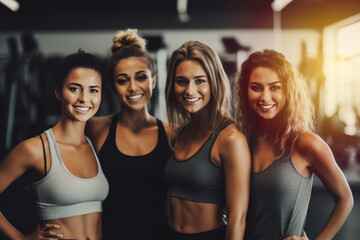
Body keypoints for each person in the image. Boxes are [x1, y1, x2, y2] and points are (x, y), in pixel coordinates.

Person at [235, 49, 353, 240]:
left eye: (275, 87)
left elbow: (345, 199)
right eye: (256, 87)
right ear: (245, 91)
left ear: (288, 91)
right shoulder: (243, 140)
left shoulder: (306, 143)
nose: (265, 97)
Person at [0, 50, 109, 240]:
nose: (84, 98)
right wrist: (20, 239)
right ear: (58, 91)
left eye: (93, 90)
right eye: (74, 88)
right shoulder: (35, 149)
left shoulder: (96, 143)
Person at [85, 29, 171, 240]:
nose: (133, 87)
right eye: (123, 80)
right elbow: (55, 152)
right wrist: (39, 181)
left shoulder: (172, 134)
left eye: (141, 77)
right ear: (113, 86)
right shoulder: (95, 128)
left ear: (153, 81)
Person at [164, 41, 251, 240]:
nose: (190, 90)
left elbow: (238, 217)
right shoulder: (180, 133)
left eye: (200, 81)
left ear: (214, 82)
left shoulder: (230, 139)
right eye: (182, 81)